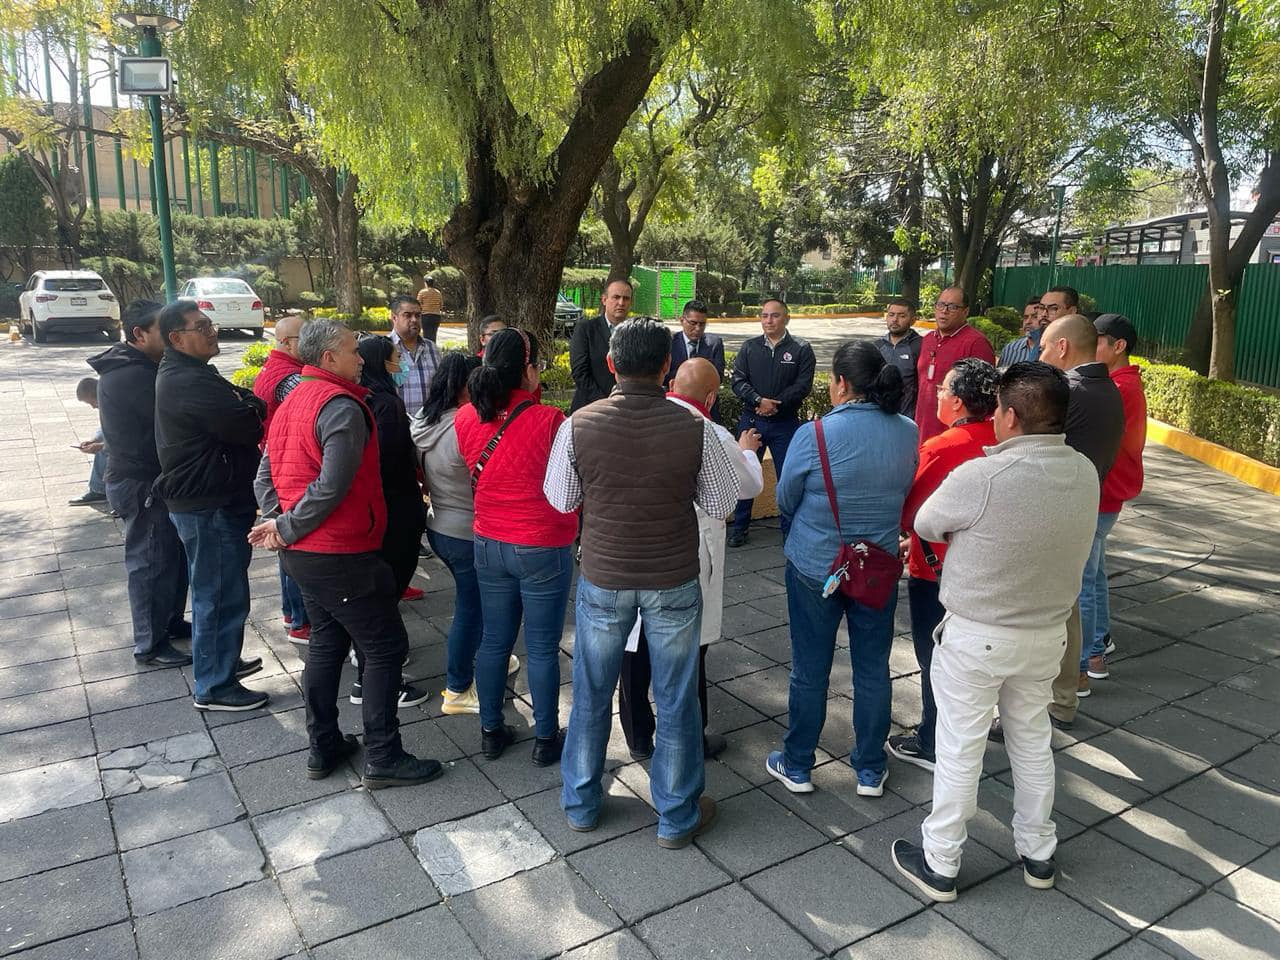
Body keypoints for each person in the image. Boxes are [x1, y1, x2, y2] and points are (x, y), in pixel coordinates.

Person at [891, 361, 1098, 903]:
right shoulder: (1084, 471)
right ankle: (1038, 851)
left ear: (1009, 416)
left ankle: (941, 859)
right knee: (1031, 742)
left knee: (960, 748)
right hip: (1046, 635)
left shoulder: (983, 475)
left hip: (978, 636)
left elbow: (927, 523)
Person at [546, 318, 741, 848]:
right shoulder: (695, 427)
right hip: (671, 577)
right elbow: (722, 502)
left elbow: (561, 499)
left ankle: (581, 804)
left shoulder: (578, 425)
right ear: (665, 367)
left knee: (590, 692)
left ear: (611, 364)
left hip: (604, 576)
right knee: (676, 698)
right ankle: (676, 815)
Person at [250, 320, 442, 788]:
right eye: (353, 351)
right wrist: (286, 527)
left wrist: (281, 524)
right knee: (384, 647)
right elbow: (332, 485)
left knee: (327, 642)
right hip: (339, 551)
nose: (361, 359)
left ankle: (324, 746)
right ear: (328, 357)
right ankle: (383, 755)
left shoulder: (294, 399)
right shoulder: (339, 405)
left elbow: (264, 476)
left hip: (306, 553)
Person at [764, 341, 917, 799]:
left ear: (842, 383)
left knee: (810, 668)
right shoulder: (908, 431)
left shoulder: (815, 434)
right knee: (873, 668)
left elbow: (786, 498)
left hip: (817, 564)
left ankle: (797, 763)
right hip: (878, 566)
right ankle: (870, 767)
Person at [617, 358, 763, 763]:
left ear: (671, 384)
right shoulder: (709, 431)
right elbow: (749, 486)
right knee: (687, 646)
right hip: (686, 548)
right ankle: (689, 737)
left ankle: (638, 735)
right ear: (711, 398)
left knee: (634, 642)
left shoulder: (629, 417)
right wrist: (748, 452)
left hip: (629, 544)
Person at [456, 328, 576, 765]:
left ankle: (491, 731)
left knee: (494, 639)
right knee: (541, 647)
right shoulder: (551, 421)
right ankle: (545, 738)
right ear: (528, 370)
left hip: (489, 541)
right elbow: (569, 484)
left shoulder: (465, 417)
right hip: (543, 543)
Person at [155, 300, 268, 712]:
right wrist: (249, 407)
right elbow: (246, 422)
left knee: (219, 589)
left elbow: (249, 402)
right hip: (209, 503)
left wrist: (247, 404)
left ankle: (222, 663)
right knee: (219, 593)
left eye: (210, 324)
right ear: (177, 338)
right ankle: (215, 685)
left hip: (213, 498)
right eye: (201, 327)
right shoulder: (187, 380)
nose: (212, 332)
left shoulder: (197, 372)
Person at [887, 359, 998, 772]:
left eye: (943, 389)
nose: (936, 393)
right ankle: (970, 729)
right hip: (987, 569)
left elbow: (909, 510)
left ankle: (932, 741)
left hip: (936, 572)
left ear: (958, 401)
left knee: (934, 657)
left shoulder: (942, 447)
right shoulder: (1001, 440)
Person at [412, 351, 519, 715]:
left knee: (475, 603)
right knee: (471, 609)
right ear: (463, 386)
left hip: (439, 524)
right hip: (467, 530)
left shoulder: (424, 421)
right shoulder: (465, 424)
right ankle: (457, 688)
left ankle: (491, 657)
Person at [87, 300, 192, 667]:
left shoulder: (141, 366)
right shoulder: (131, 375)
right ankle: (149, 644)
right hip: (140, 483)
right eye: (164, 329)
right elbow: (170, 423)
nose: (172, 335)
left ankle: (170, 622)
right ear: (139, 334)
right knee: (150, 562)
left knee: (172, 558)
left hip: (152, 479)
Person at [1036, 313, 1124, 710]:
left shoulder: (1070, 392)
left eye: (1043, 348)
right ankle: (1069, 689)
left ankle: (1057, 692)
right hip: (1083, 506)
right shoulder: (1107, 388)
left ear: (1062, 347)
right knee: (1071, 604)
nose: (1040, 356)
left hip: (1057, 514)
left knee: (1055, 611)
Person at [346, 334, 432, 707]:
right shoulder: (386, 405)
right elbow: (390, 461)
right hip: (395, 509)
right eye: (396, 359)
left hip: (375, 510)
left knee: (377, 594)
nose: (402, 366)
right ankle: (379, 681)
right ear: (382, 364)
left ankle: (368, 667)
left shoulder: (359, 399)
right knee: (387, 592)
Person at [1083, 314, 1147, 669]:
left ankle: (1090, 657)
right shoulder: (1119, 383)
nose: (1089, 347)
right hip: (1105, 491)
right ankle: (1100, 638)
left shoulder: (1118, 389)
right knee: (1094, 573)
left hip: (1102, 492)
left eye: (1097, 341)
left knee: (1084, 580)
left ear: (1118, 346)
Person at [727, 298, 816, 547]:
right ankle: (740, 528)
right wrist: (758, 400)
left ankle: (789, 531)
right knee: (745, 474)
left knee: (787, 479)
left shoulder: (801, 349)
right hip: (752, 420)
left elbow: (803, 385)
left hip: (785, 423)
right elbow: (738, 381)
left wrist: (775, 404)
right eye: (764, 315)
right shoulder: (749, 347)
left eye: (775, 315)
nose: (769, 320)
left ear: (787, 318)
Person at [253, 313, 310, 642]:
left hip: (275, 465)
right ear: (287, 343)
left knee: (285, 542)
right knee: (295, 543)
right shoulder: (289, 378)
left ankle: (292, 614)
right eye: (306, 336)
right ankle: (302, 621)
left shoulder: (275, 368)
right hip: (285, 468)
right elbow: (310, 409)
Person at [913, 287, 997, 442]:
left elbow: (984, 396)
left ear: (965, 311)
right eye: (940, 305)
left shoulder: (976, 343)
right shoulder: (927, 339)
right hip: (922, 430)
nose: (944, 311)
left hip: (955, 436)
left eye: (952, 307)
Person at [569, 279, 632, 412]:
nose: (621, 303)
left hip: (627, 410)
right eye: (616, 297)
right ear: (604, 300)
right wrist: (607, 403)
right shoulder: (586, 329)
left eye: (626, 298)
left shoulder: (635, 332)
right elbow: (580, 372)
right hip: (589, 409)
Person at [663, 300, 726, 422]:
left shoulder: (714, 344)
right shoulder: (669, 343)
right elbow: (664, 375)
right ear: (682, 320)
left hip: (707, 411)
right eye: (693, 323)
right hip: (675, 408)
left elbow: (718, 377)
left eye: (702, 324)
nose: (697, 328)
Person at [389, 294, 441, 417]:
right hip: (397, 423)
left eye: (418, 315)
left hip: (429, 423)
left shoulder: (432, 349)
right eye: (407, 315)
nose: (414, 320)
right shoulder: (384, 348)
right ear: (394, 318)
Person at [875, 297, 923, 417]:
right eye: (891, 315)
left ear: (913, 320)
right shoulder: (877, 346)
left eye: (902, 316)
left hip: (908, 417)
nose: (895, 320)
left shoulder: (921, 346)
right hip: (878, 416)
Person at [69, 378, 108, 506]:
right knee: (101, 447)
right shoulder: (107, 403)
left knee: (103, 451)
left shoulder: (114, 404)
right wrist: (94, 441)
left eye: (92, 403)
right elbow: (105, 428)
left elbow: (125, 435)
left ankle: (99, 490)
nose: (93, 407)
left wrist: (101, 446)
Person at [998, 297, 1046, 367]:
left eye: (1035, 317)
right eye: (1025, 317)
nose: (1028, 322)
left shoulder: (1052, 350)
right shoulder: (1010, 349)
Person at [415, 276, 444, 343]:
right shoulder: (438, 292)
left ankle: (427, 348)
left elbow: (417, 304)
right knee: (433, 334)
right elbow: (441, 305)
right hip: (436, 316)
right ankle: (433, 347)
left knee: (426, 334)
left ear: (426, 283)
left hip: (426, 315)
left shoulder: (422, 292)